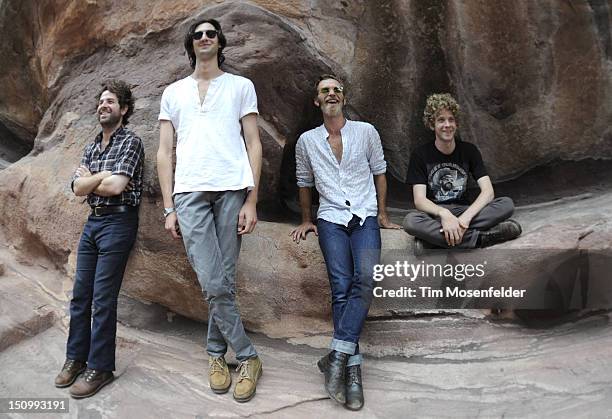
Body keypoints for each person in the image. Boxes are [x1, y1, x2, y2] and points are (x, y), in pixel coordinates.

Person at [156, 17, 263, 403]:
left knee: (225, 278)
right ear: (191, 44)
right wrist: (169, 207)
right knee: (213, 281)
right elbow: (165, 152)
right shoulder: (173, 93)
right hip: (188, 193)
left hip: (232, 188)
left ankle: (217, 355)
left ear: (219, 42)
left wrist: (252, 199)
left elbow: (254, 143)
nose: (204, 38)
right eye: (198, 34)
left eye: (211, 34)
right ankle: (248, 356)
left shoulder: (240, 86)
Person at [290, 74, 401, 411]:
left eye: (336, 89)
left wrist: (382, 214)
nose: (332, 93)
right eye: (325, 90)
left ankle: (337, 355)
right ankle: (352, 369)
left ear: (344, 97)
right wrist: (307, 218)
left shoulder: (366, 132)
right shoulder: (307, 141)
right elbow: (304, 182)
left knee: (365, 279)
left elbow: (379, 172)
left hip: (365, 215)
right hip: (330, 218)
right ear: (317, 101)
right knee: (340, 285)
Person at [55, 80, 144, 399]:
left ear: (124, 109)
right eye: (101, 101)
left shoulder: (131, 142)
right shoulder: (93, 146)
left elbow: (116, 186)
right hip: (93, 222)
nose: (103, 105)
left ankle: (101, 367)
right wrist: (98, 179)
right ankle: (75, 358)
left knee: (103, 298)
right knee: (80, 296)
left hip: (119, 222)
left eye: (110, 101)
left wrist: (90, 180)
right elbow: (76, 188)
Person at [403, 93, 521, 255]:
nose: (447, 125)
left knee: (506, 204)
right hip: (437, 214)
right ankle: (482, 239)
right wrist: (444, 214)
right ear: (432, 125)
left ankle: (433, 243)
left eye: (451, 119)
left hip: (466, 211)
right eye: (441, 120)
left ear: (456, 123)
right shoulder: (420, 155)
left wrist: (465, 219)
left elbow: (488, 192)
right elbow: (420, 200)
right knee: (411, 221)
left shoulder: (469, 151)